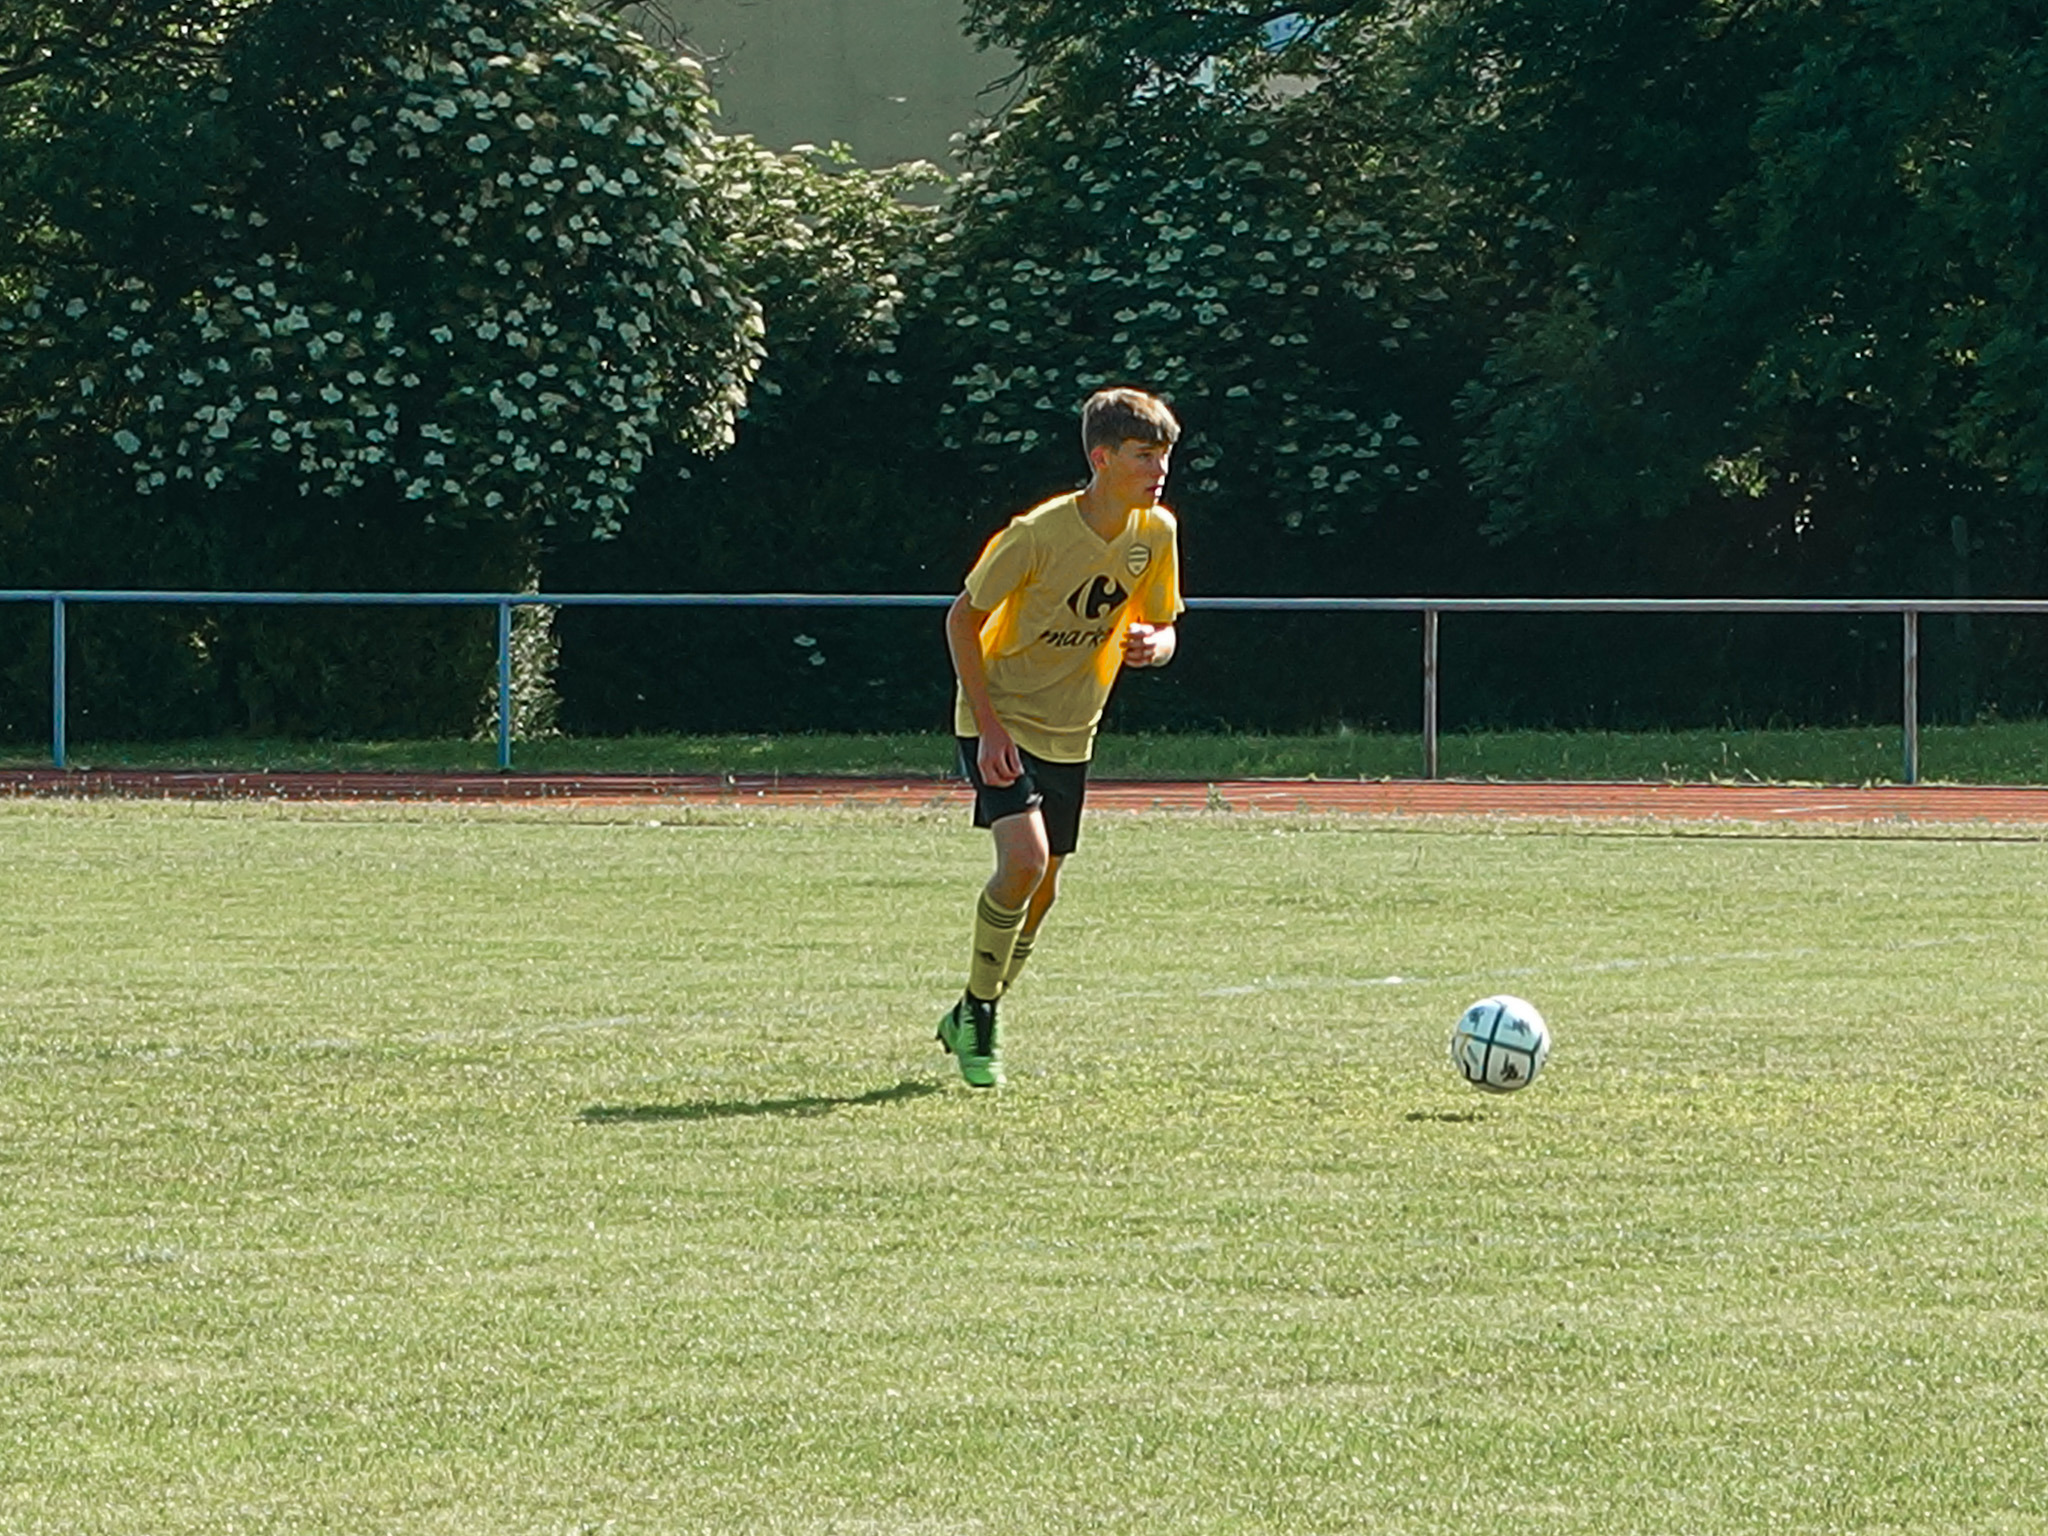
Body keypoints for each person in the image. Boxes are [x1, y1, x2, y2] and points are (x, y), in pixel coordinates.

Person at [936, 387, 1185, 1087]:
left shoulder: (1156, 533)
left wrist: (1153, 646)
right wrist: (987, 726)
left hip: (1073, 732)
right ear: (1101, 459)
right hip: (1003, 718)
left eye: (1164, 455)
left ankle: (969, 1012)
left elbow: (1165, 627)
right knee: (1024, 862)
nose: (1159, 469)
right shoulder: (1038, 534)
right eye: (1144, 455)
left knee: (1041, 891)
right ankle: (983, 1017)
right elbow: (961, 621)